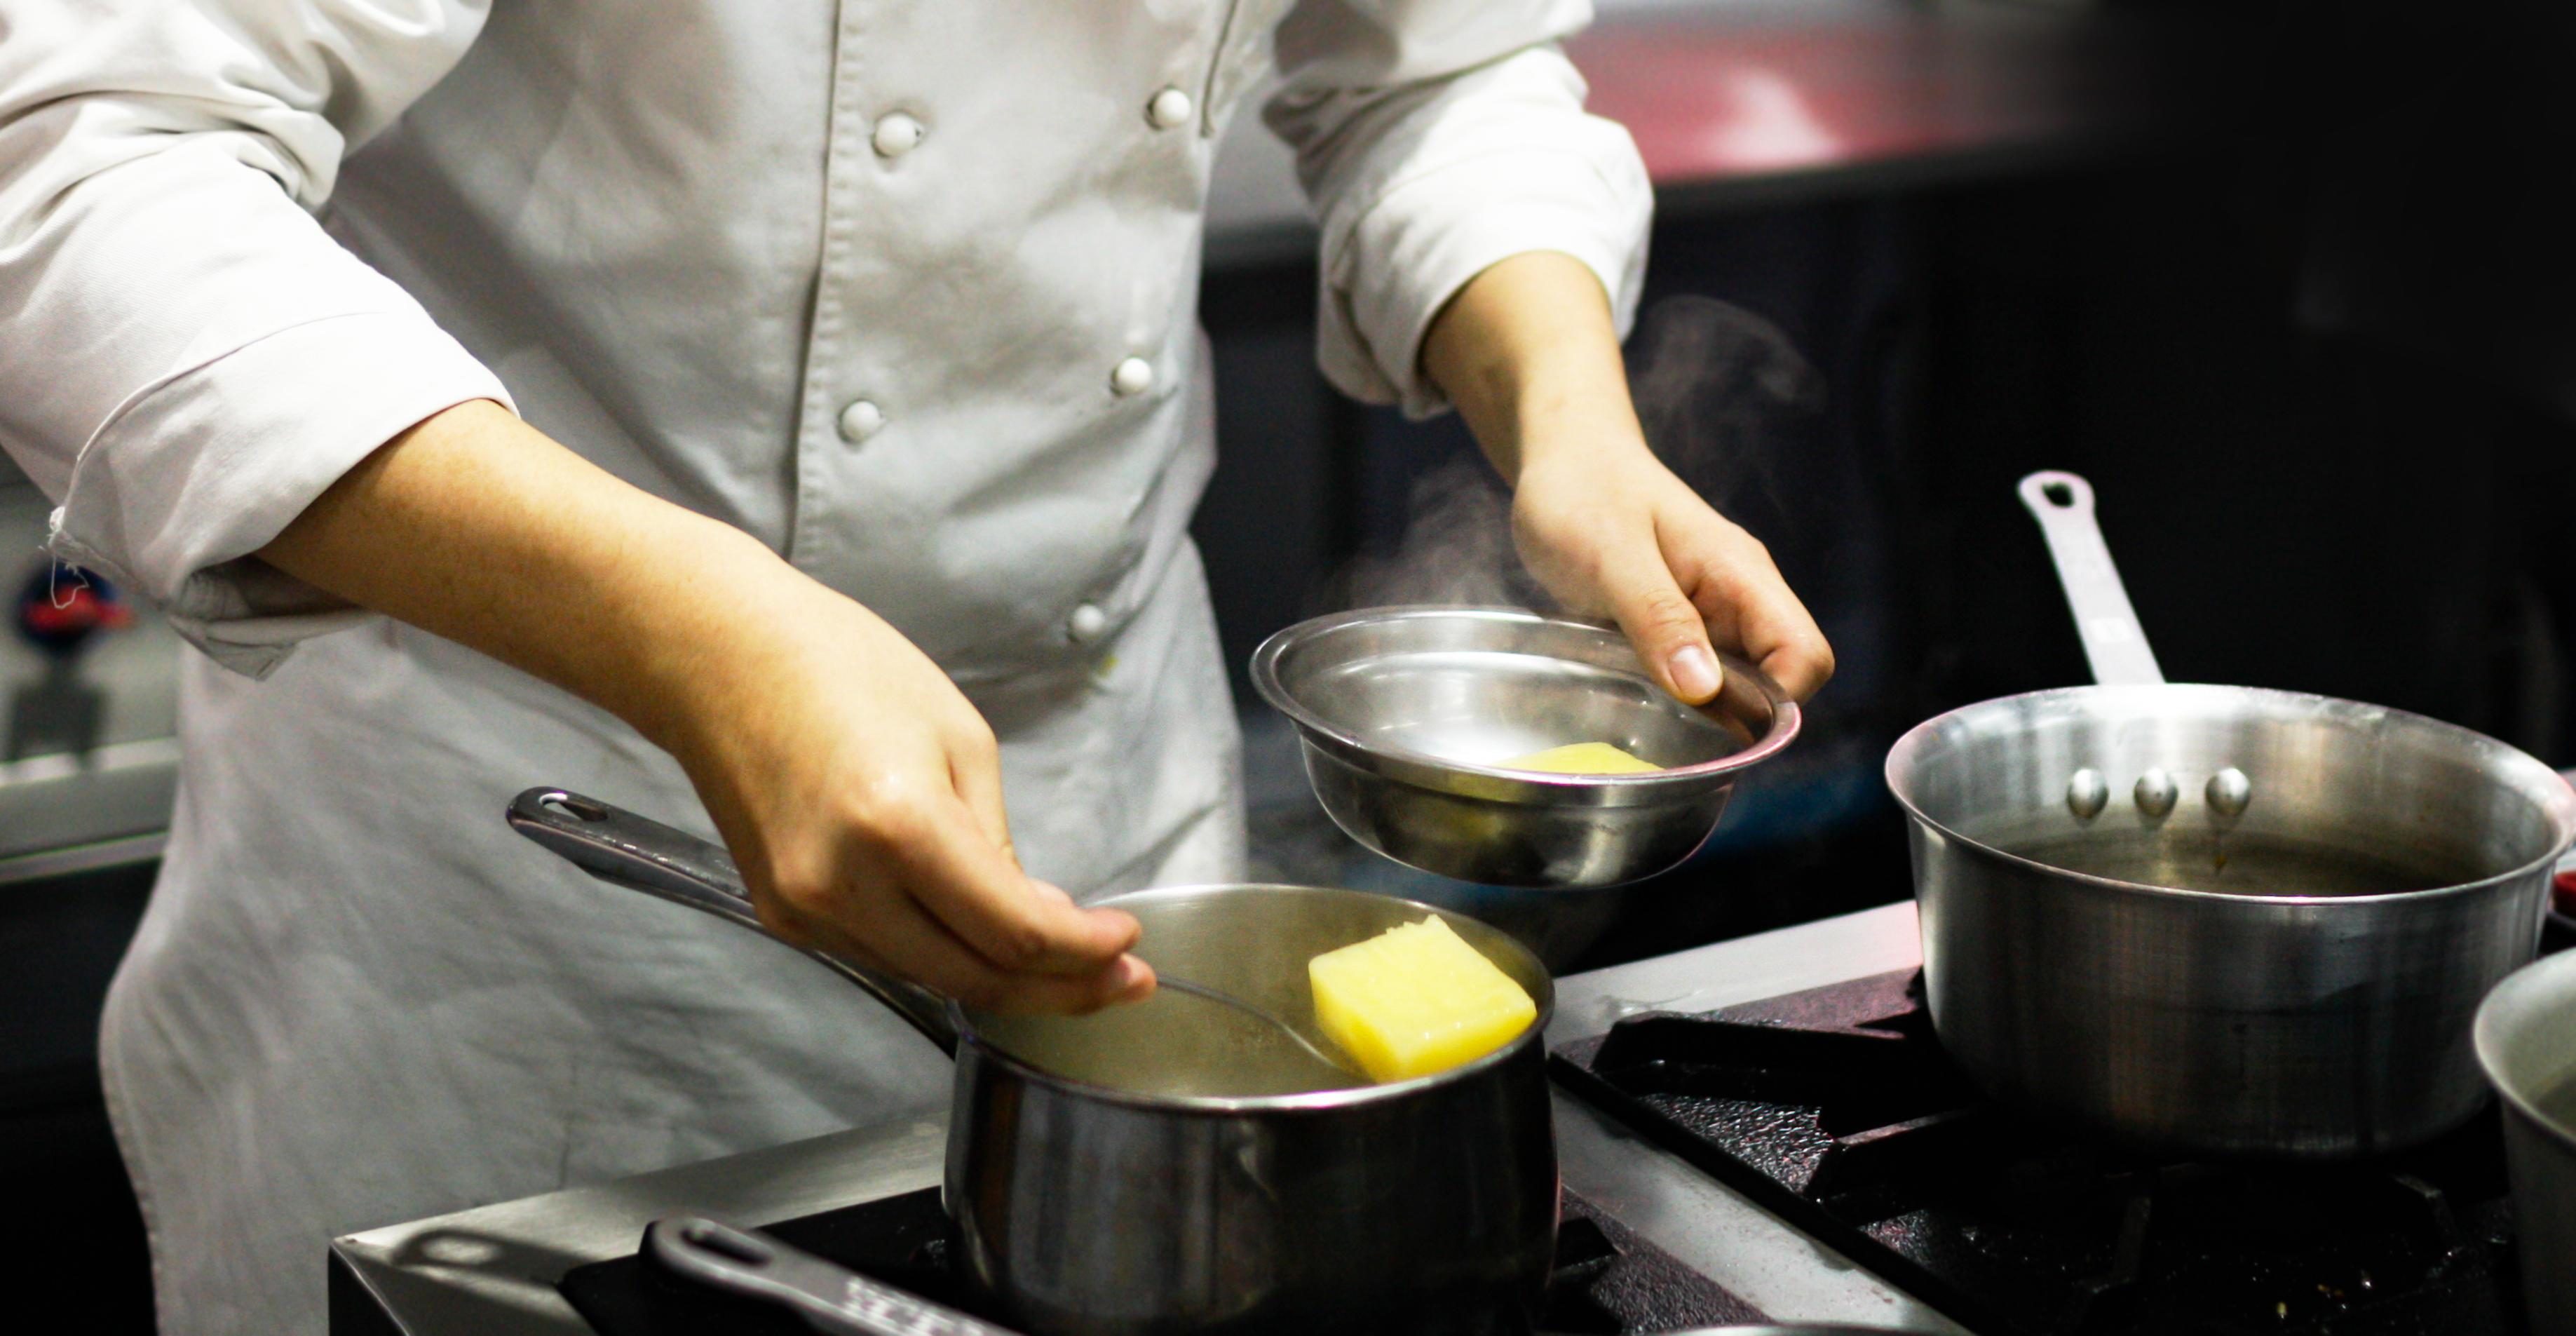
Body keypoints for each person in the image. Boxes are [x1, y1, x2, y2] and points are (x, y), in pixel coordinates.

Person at [0, 1, 1832, 1330]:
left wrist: (1569, 419)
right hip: (522, 873)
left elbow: (1437, 68)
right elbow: (81, 157)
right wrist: (697, 626)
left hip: (1108, 791)